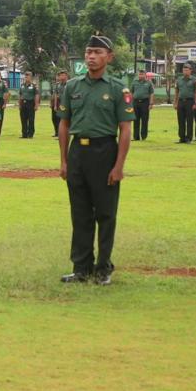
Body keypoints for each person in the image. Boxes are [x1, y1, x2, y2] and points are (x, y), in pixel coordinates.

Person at [57, 34, 134, 285]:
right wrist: (64, 161)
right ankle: (81, 267)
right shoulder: (72, 87)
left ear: (109, 57)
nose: (91, 56)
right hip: (78, 151)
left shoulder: (117, 89)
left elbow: (125, 130)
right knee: (80, 213)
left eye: (97, 53)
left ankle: (103, 268)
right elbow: (64, 124)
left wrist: (119, 166)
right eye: (88, 52)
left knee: (105, 213)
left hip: (104, 152)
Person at [175, 63, 196, 143]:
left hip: (190, 101)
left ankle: (189, 138)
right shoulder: (179, 80)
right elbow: (177, 91)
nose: (185, 72)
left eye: (187, 70)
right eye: (184, 70)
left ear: (190, 71)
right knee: (180, 120)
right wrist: (175, 103)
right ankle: (182, 138)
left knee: (189, 120)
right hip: (181, 101)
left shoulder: (194, 80)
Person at [131, 71, 155, 141]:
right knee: (136, 120)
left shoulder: (149, 83)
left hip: (145, 102)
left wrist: (151, 103)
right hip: (135, 102)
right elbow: (131, 92)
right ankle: (136, 137)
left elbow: (151, 93)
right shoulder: (134, 82)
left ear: (145, 75)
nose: (141, 75)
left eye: (142, 74)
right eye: (140, 74)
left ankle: (144, 136)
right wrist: (130, 103)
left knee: (144, 120)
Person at [17, 71, 40, 138]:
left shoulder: (34, 86)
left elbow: (37, 95)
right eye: (25, 76)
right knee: (23, 119)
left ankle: (30, 134)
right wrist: (19, 104)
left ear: (31, 77)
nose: (26, 77)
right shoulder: (22, 85)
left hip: (30, 103)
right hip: (23, 103)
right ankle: (24, 134)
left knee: (31, 119)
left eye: (28, 76)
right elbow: (20, 95)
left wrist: (36, 105)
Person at [51, 69, 68, 138]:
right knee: (55, 118)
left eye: (63, 75)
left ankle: (63, 134)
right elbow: (55, 95)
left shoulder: (69, 84)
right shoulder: (58, 85)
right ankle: (57, 133)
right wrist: (54, 105)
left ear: (66, 76)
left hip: (65, 104)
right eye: (60, 75)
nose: (62, 77)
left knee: (63, 119)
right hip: (58, 104)